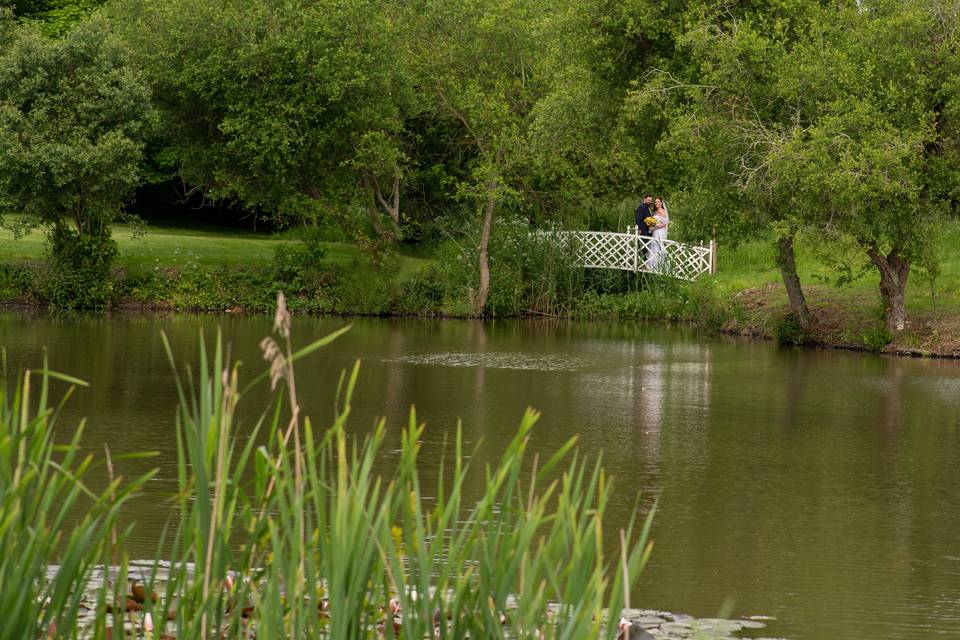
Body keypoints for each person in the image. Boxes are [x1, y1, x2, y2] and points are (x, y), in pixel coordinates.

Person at [645, 197, 669, 271]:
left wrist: (656, 226)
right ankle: (652, 266)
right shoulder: (654, 212)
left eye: (658, 202)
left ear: (661, 203)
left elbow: (665, 223)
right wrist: (651, 226)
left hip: (660, 232)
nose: (657, 203)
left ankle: (660, 266)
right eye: (655, 202)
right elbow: (653, 223)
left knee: (659, 246)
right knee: (653, 246)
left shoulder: (663, 211)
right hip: (654, 232)